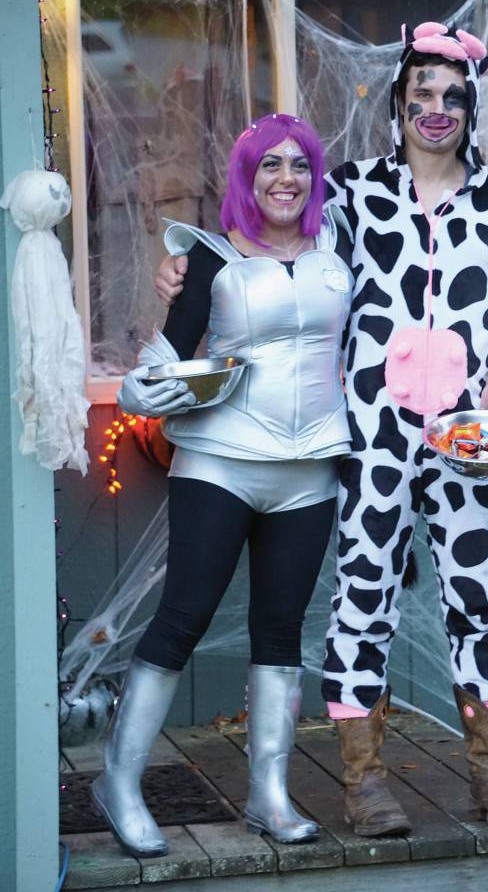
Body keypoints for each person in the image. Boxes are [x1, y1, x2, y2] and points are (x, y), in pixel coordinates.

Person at [155, 23, 488, 837]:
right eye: (422, 95)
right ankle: (364, 779)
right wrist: (189, 269)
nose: (435, 110)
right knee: (360, 599)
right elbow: (280, 252)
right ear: (398, 102)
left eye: (451, 97)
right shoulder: (355, 195)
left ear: (470, 108)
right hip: (371, 439)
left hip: (470, 446)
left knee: (477, 600)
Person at [92, 113, 353, 857]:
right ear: (245, 178)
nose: (284, 179)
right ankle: (118, 779)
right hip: (220, 464)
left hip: (309, 473)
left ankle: (268, 795)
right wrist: (148, 393)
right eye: (267, 165)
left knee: (281, 630)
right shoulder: (208, 259)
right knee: (184, 618)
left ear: (313, 178)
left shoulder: (340, 252)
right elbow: (159, 362)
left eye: (298, 165)